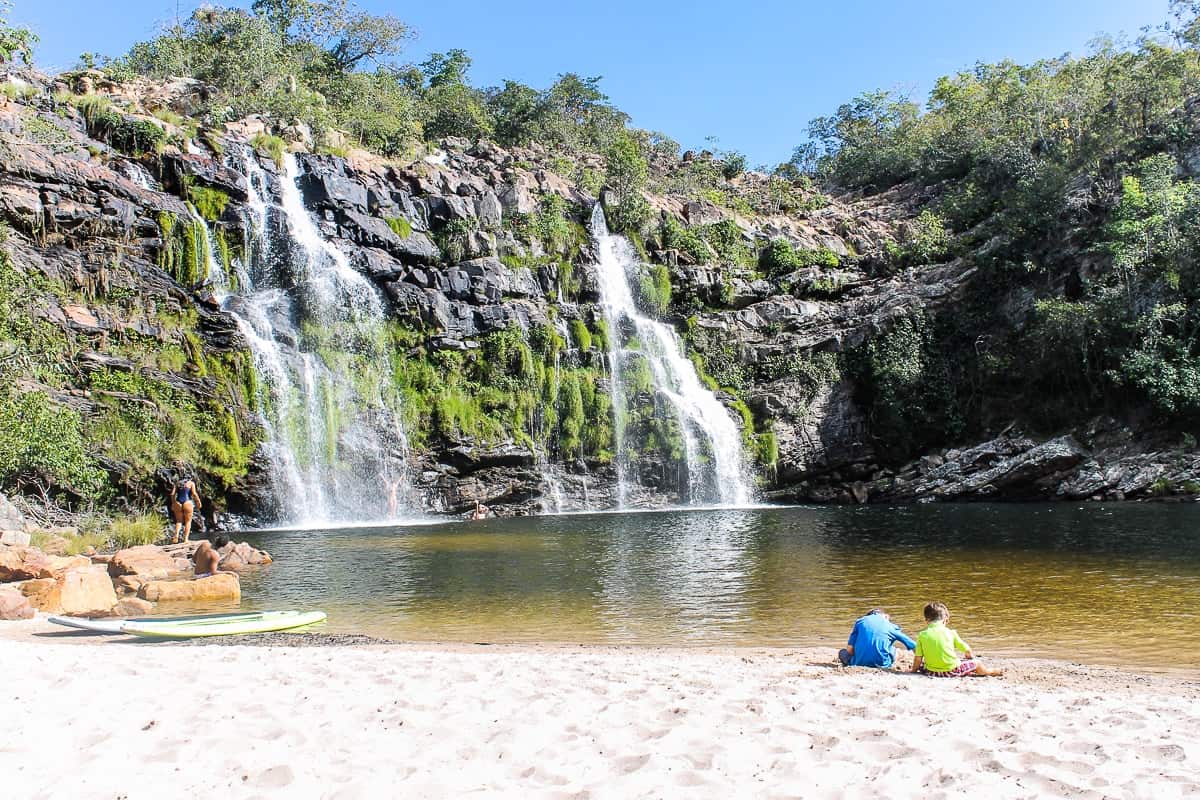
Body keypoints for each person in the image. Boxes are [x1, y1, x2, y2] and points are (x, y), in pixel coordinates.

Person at [912, 601, 1004, 677]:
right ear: (946, 620)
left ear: (926, 621)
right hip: (951, 670)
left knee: (923, 664)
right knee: (977, 663)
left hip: (932, 672)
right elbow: (967, 650)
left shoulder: (922, 635)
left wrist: (913, 671)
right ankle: (990, 672)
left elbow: (918, 659)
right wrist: (969, 657)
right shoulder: (951, 633)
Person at [838, 608, 917, 668]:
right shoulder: (891, 626)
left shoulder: (860, 621)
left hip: (858, 663)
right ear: (886, 616)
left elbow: (849, 650)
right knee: (894, 650)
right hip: (882, 664)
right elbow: (914, 645)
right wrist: (918, 664)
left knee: (842, 652)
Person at [169, 473, 202, 544]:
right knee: (188, 521)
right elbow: (194, 494)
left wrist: (173, 503)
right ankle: (186, 539)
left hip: (178, 502)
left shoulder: (177, 483)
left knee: (179, 521)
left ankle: (176, 536)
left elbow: (172, 494)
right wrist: (198, 502)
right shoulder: (191, 483)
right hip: (187, 502)